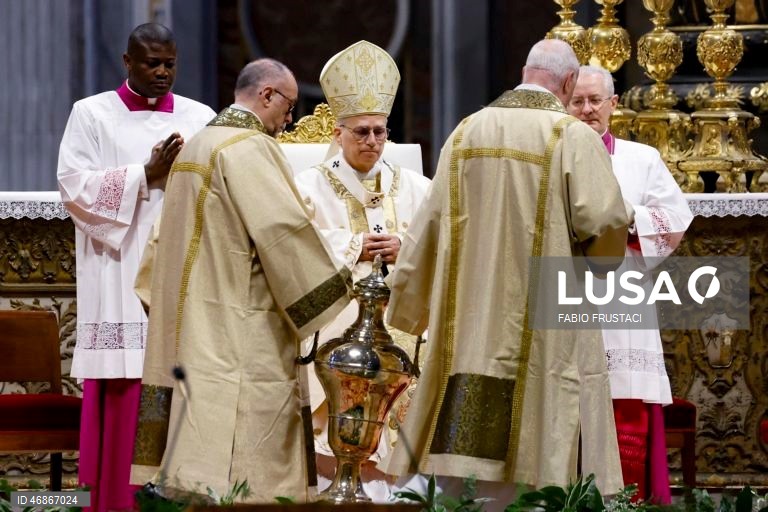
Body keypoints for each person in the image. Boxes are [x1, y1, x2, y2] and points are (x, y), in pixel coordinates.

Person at [378, 39, 630, 510]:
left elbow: (427, 224)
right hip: (547, 315)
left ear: (524, 71)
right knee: (545, 410)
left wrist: (408, 307)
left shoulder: (467, 130)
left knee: (469, 414)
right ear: (570, 83)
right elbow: (605, 225)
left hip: (472, 314)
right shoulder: (572, 137)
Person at [130, 58, 352, 504]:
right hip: (241, 322)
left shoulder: (196, 145)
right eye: (288, 107)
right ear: (266, 95)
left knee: (195, 434)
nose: (289, 120)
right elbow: (281, 232)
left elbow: (157, 244)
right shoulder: (249, 147)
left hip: (190, 317)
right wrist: (338, 280)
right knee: (246, 459)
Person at [57, 23, 215, 512]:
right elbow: (73, 187)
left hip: (180, 274)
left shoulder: (201, 117)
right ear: (127, 62)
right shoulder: (91, 115)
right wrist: (144, 176)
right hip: (118, 271)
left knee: (178, 381)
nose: (163, 72)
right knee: (126, 384)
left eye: (169, 62)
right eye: (151, 63)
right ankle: (109, 501)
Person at [293, 40, 431, 501]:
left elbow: (440, 244)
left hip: (400, 316)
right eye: (362, 133)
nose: (373, 141)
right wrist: (353, 245)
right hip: (337, 313)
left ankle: (397, 495)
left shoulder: (414, 186)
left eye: (380, 132)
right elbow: (294, 249)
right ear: (338, 132)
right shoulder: (308, 186)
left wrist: (404, 247)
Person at [566, 65, 694, 504]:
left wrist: (627, 215)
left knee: (625, 395)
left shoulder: (642, 159)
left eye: (594, 100)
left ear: (613, 104)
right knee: (568, 397)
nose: (586, 110)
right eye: (577, 101)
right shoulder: (554, 157)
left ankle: (627, 500)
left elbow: (675, 219)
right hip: (566, 293)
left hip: (623, 292)